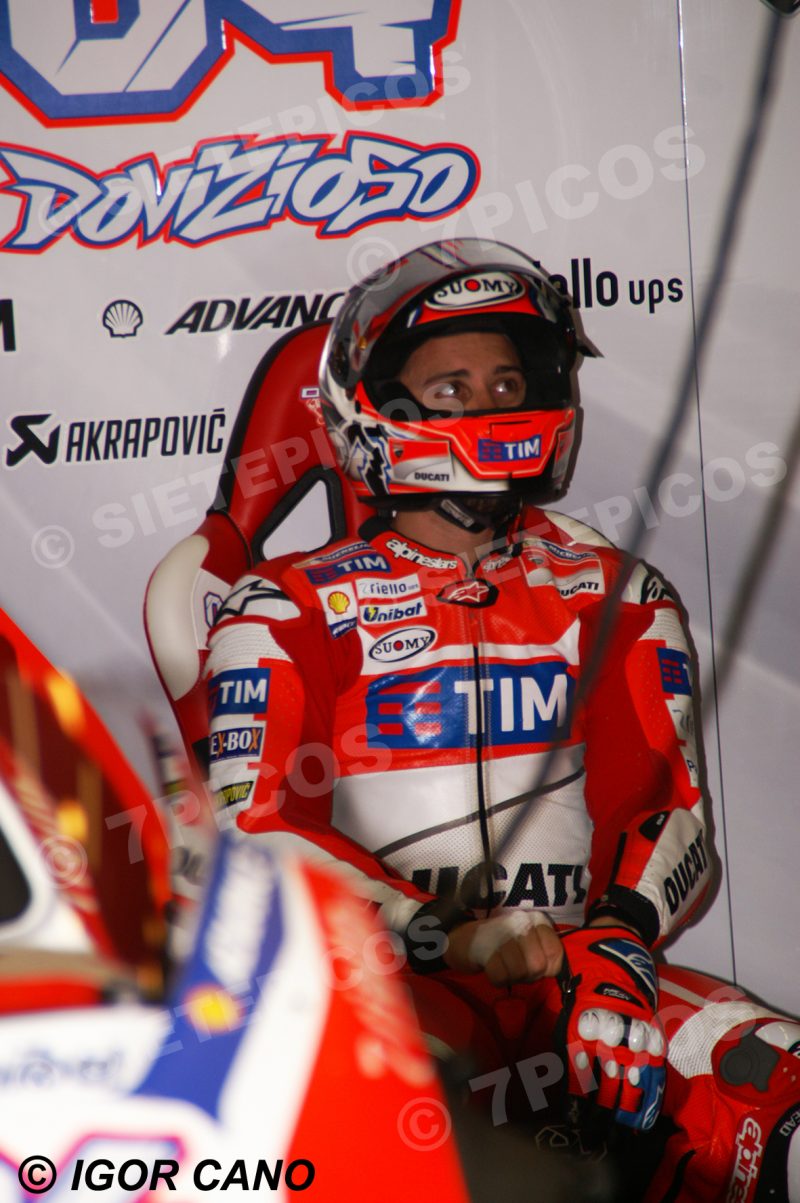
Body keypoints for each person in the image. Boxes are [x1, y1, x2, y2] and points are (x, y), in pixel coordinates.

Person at [206, 239, 800, 1201]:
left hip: (587, 975)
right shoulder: (285, 608)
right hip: (392, 990)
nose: (489, 406)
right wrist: (443, 935)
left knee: (777, 1092)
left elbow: (669, 804)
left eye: (508, 382)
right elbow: (255, 833)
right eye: (452, 389)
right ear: (375, 408)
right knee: (389, 1130)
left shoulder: (612, 588)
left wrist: (620, 940)